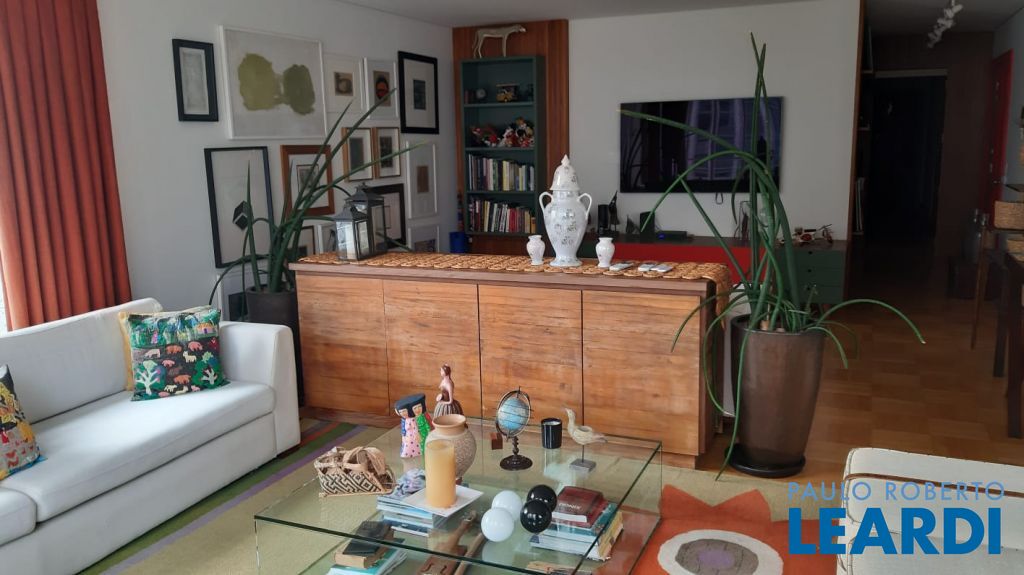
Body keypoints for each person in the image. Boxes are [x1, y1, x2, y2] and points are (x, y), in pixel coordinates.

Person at [395, 393, 431, 458]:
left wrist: (428, 430)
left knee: (425, 442)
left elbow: (424, 424)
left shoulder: (422, 417)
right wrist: (404, 435)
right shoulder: (408, 419)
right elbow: (405, 429)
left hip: (423, 432)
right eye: (415, 408)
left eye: (419, 407)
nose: (418, 409)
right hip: (411, 435)